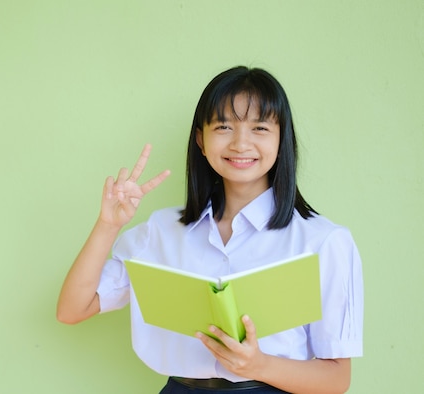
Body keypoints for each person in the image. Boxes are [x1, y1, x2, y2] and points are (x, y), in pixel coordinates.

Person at [56, 66, 363, 394]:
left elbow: (336, 379)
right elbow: (73, 309)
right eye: (224, 126)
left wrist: (259, 365)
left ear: (281, 138)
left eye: (259, 127)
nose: (241, 143)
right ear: (201, 140)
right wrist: (109, 225)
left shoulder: (324, 241)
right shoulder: (161, 230)